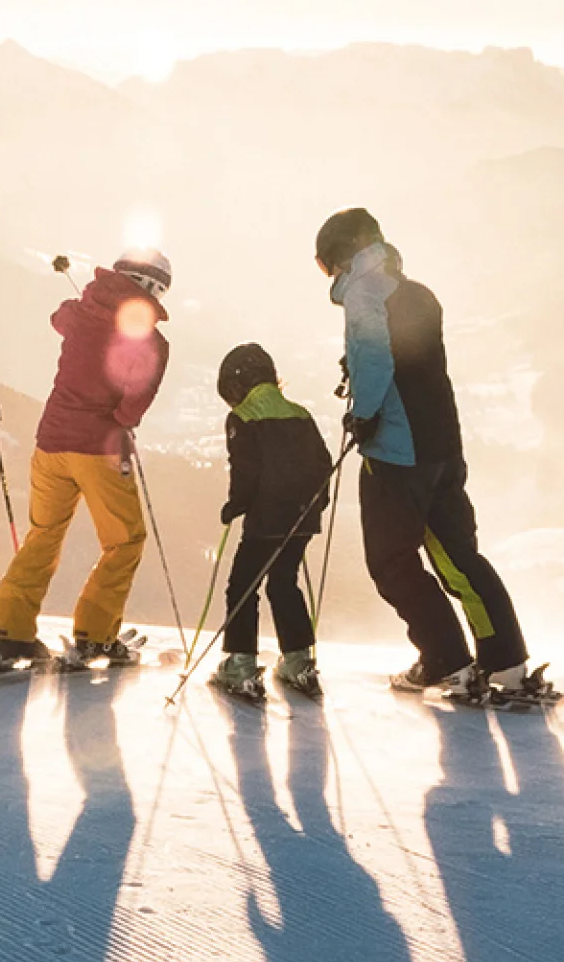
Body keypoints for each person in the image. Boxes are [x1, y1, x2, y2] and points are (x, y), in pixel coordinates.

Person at [314, 207, 538, 698]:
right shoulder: (416, 292)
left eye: (325, 265)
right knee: (459, 556)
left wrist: (365, 412)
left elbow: (374, 353)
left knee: (391, 561)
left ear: (340, 256)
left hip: (397, 450)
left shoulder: (363, 290)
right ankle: (506, 664)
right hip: (441, 444)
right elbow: (413, 359)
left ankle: (445, 660)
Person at [0, 249, 173, 673]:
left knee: (44, 535)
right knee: (124, 541)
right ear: (155, 289)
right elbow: (131, 409)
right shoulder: (151, 341)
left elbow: (59, 317)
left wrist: (89, 306)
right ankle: (95, 635)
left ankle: (11, 631)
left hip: (50, 443)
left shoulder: (79, 314)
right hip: (99, 450)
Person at [211, 343, 333, 699]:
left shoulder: (243, 417)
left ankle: (241, 664)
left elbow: (246, 471)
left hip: (266, 517)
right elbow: (323, 464)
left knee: (243, 586)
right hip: (303, 517)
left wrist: (237, 505)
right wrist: (315, 505)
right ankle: (298, 660)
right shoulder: (300, 413)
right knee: (283, 583)